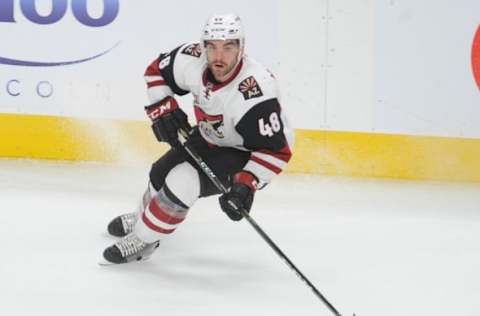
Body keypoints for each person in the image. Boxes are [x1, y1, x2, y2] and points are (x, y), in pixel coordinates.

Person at [102, 13, 294, 264]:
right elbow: (155, 72)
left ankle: (144, 240)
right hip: (210, 135)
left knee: (183, 180)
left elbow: (276, 152)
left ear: (241, 48)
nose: (218, 56)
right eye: (212, 46)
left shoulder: (255, 93)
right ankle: (143, 217)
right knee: (160, 173)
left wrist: (246, 182)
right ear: (203, 46)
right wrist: (164, 108)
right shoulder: (191, 59)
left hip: (247, 152)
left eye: (228, 47)